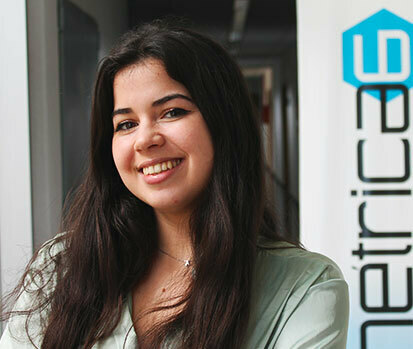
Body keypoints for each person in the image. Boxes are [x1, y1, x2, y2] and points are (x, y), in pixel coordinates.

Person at [1, 20, 349, 349]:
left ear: (224, 123)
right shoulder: (62, 265)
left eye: (172, 112)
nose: (144, 140)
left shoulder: (305, 287)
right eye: (126, 124)